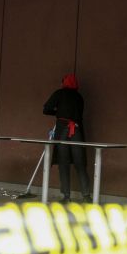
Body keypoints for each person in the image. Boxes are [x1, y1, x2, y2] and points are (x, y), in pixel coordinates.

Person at [43, 74, 92, 203]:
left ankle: (66, 196)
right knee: (80, 163)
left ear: (64, 83)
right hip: (77, 129)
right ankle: (86, 196)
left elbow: (46, 109)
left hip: (62, 128)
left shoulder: (59, 93)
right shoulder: (79, 97)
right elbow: (78, 114)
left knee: (63, 162)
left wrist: (58, 113)